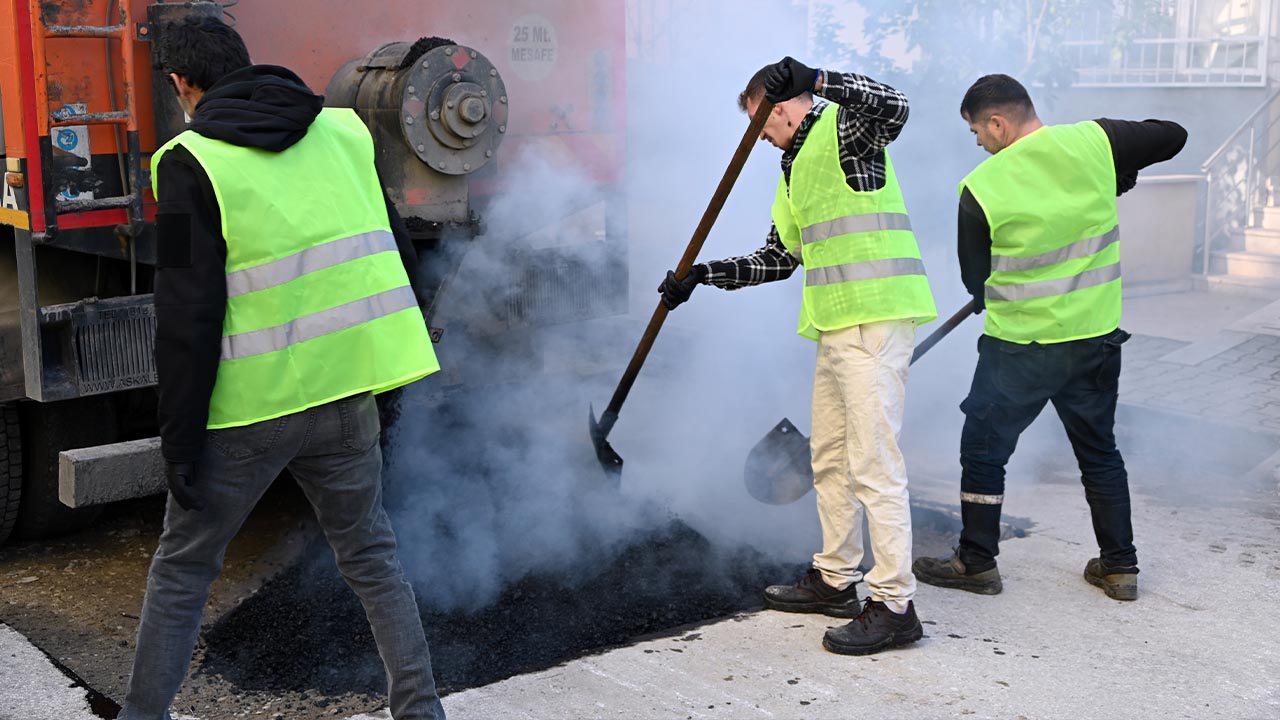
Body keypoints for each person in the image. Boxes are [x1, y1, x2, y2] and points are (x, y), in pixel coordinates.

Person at [122, 17, 446, 719]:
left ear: (184, 85)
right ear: (245, 64)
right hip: (347, 396)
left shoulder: (187, 163)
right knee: (372, 557)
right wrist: (388, 378)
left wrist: (178, 439)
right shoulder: (344, 132)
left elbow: (186, 313)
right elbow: (400, 252)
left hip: (249, 412)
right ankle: (420, 709)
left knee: (183, 571)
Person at [661, 57, 937, 655]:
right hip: (836, 328)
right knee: (831, 461)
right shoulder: (792, 170)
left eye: (762, 125)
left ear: (780, 106)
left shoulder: (845, 130)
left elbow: (896, 107)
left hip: (877, 317)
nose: (761, 138)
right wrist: (703, 275)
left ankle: (895, 604)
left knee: (874, 465)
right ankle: (836, 579)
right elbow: (778, 259)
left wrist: (818, 79)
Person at [913, 74, 1187, 602]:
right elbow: (1172, 134)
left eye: (976, 131)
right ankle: (1120, 567)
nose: (977, 143)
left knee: (985, 451)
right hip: (1095, 341)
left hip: (1020, 349)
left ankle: (975, 562)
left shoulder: (981, 189)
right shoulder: (1094, 141)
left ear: (997, 122)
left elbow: (978, 282)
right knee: (1099, 451)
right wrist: (1117, 170)